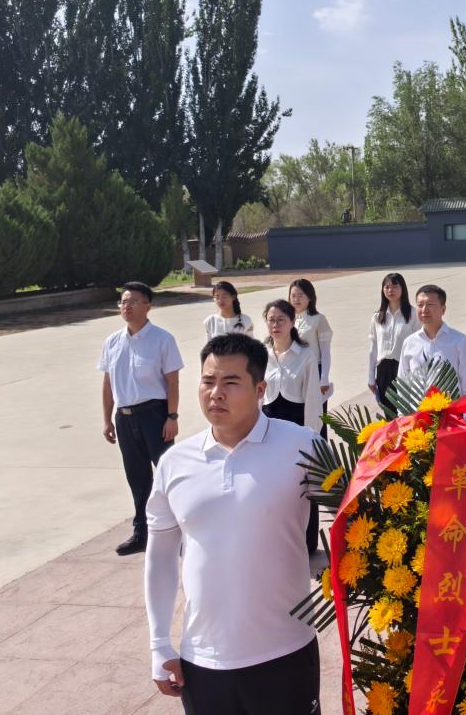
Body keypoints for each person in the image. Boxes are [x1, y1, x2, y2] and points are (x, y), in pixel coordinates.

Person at [144, 333, 322, 714]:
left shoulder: (302, 446)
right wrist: (159, 642)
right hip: (204, 661)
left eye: (230, 382)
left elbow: (354, 514)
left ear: (260, 389)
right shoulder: (175, 463)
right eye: (208, 381)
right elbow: (160, 556)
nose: (216, 393)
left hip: (286, 653)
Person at [98, 281, 184, 556]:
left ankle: (182, 529)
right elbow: (108, 384)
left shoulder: (162, 339)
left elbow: (172, 382)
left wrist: (172, 416)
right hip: (124, 418)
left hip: (154, 415)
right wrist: (107, 420)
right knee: (137, 478)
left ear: (148, 306)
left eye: (133, 301)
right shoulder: (112, 342)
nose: (127, 307)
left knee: (168, 474)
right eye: (123, 302)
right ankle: (142, 533)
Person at [398, 284, 466, 401]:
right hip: (418, 411)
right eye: (420, 305)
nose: (424, 309)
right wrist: (405, 412)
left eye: (430, 304)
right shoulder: (409, 343)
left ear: (443, 309)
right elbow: (403, 383)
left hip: (450, 410)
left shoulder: (460, 341)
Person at [261, 300, 324, 429]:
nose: (275, 325)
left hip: (296, 427)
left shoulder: (306, 355)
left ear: (292, 321)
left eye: (281, 320)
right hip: (267, 428)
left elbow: (313, 400)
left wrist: (311, 435)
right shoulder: (261, 355)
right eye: (271, 320)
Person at [367, 272, 420, 415]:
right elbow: (373, 347)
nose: (390, 290)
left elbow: (419, 345)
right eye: (387, 287)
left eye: (395, 286)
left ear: (403, 288)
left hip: (405, 369)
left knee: (407, 413)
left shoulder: (414, 314)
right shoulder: (377, 317)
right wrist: (371, 376)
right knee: (389, 413)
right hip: (383, 370)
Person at [289, 279, 333, 405]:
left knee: (315, 411)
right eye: (293, 296)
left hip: (313, 370)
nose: (296, 299)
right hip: (293, 371)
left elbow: (325, 352)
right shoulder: (287, 320)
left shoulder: (319, 319)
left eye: (300, 295)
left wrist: (324, 378)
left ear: (310, 297)